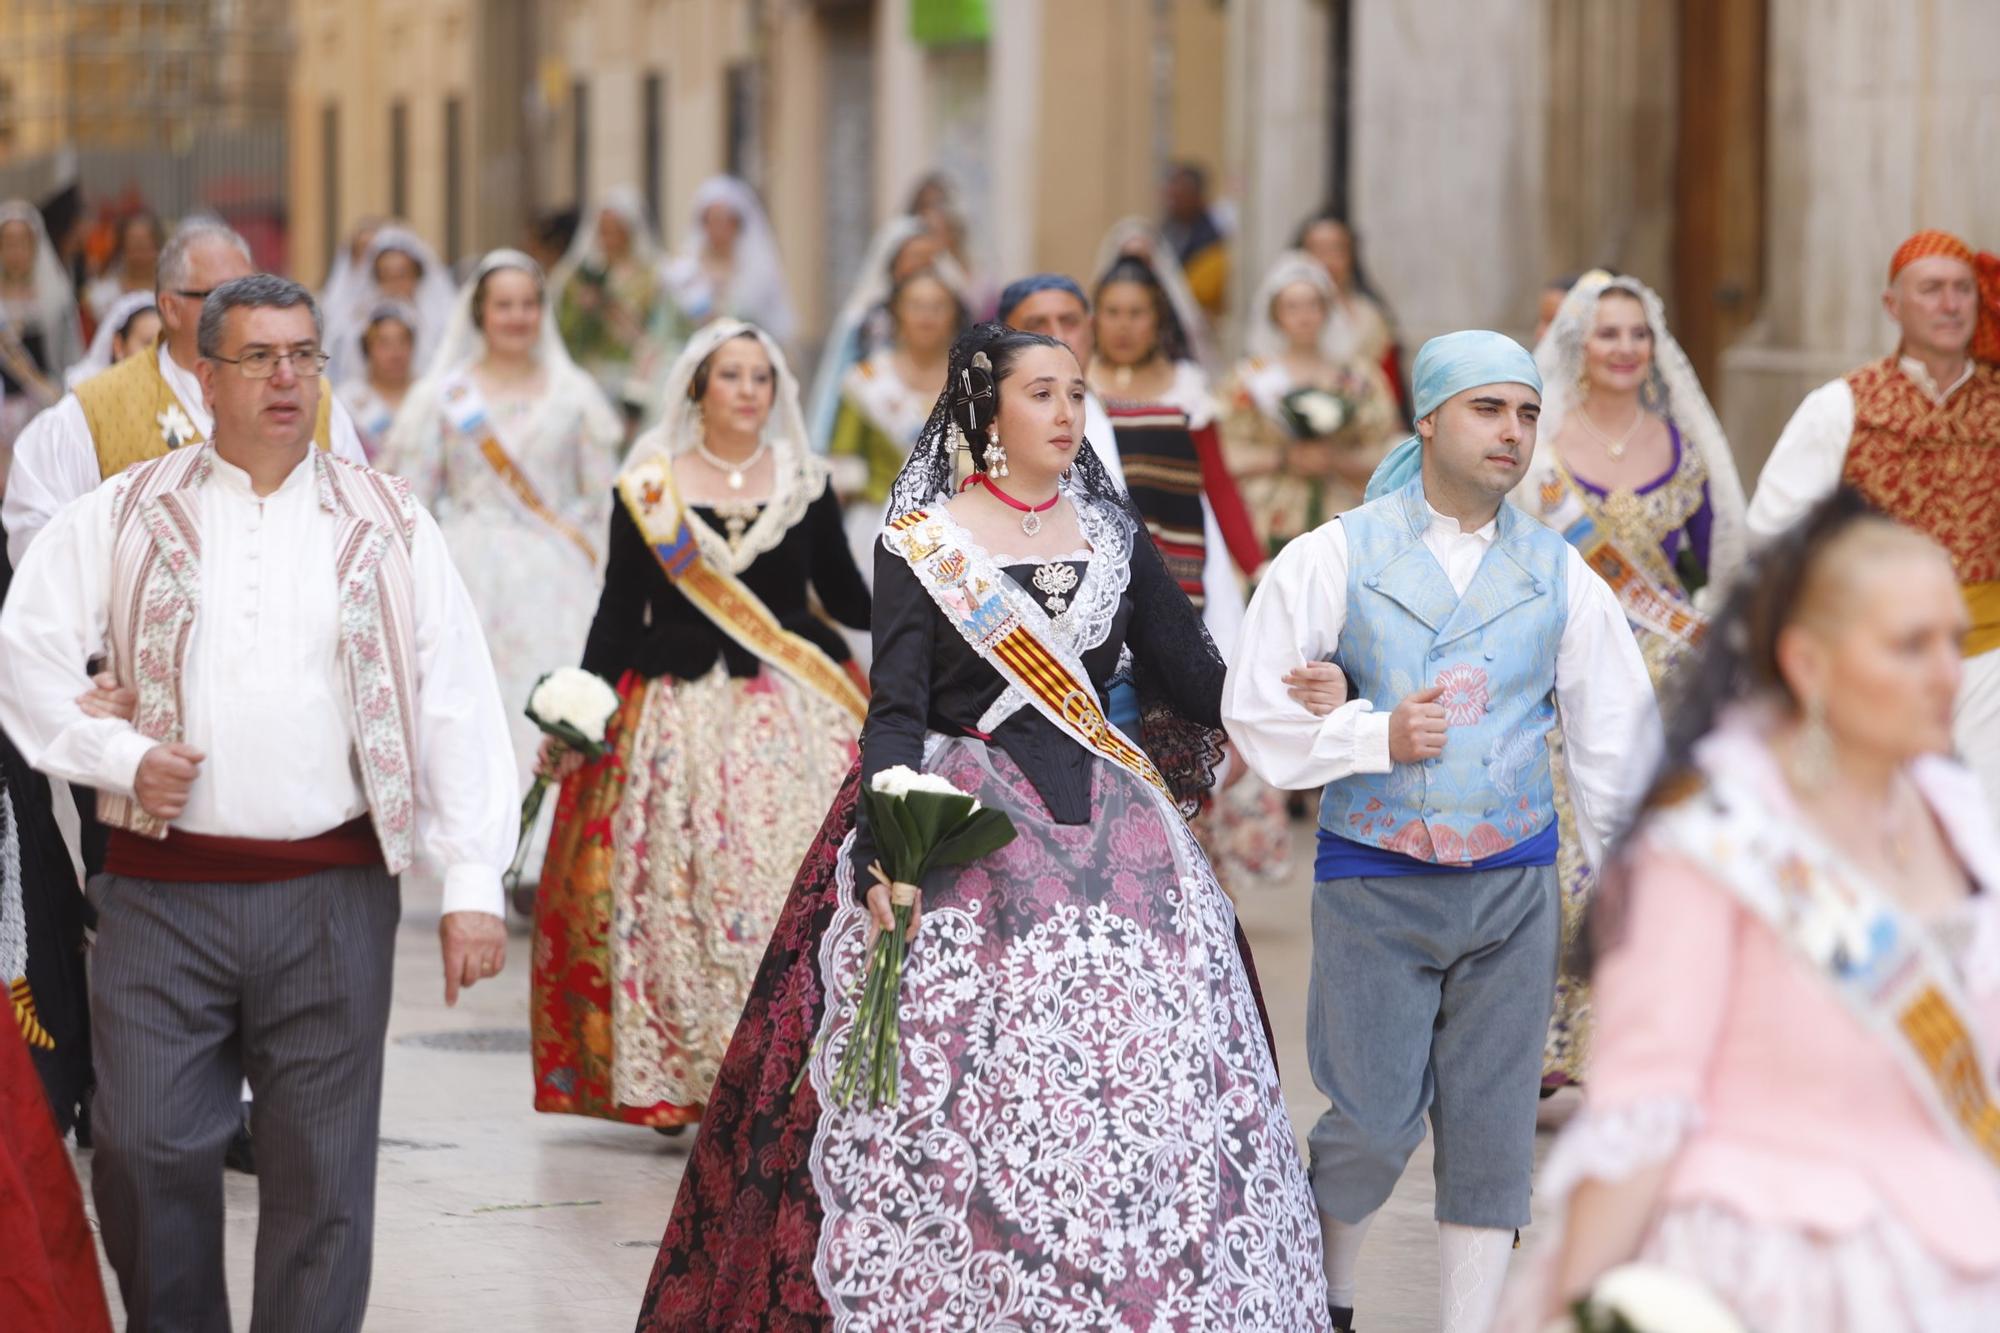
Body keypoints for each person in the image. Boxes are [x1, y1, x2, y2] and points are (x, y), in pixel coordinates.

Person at [634, 322, 1331, 1330]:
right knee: (964, 1084)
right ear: (987, 412)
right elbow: (897, 714)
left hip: (1109, 831)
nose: (1065, 413)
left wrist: (1287, 687)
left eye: (1076, 394)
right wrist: (883, 853)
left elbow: (1197, 681)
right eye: (1042, 393)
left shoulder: (1113, 539)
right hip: (971, 838)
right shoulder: (922, 542)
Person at [0, 274, 517, 1332]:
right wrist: (112, 749)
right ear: (207, 374)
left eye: (303, 356)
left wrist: (471, 880)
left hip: (331, 895)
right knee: (146, 1150)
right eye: (258, 357)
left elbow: (457, 697)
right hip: (158, 899)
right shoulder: (124, 510)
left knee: (322, 1181)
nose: (287, 378)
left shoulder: (390, 523)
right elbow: (26, 652)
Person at [1223, 330, 1660, 1333]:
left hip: (1512, 884)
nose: (1509, 432)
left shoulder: (1558, 574)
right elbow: (1252, 707)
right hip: (1373, 879)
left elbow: (1615, 742)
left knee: (1493, 1129)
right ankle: (1324, 1300)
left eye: (1523, 414)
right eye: (1484, 408)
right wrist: (1369, 730)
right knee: (1371, 1123)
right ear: (1426, 418)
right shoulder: (1335, 554)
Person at [1498, 492, 2000, 1333]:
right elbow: (1640, 1116)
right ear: (1807, 662)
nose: (1949, 672)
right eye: (1909, 646)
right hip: (1771, 1275)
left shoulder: (1955, 811)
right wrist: (1567, 1308)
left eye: (1953, 640)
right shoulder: (1711, 843)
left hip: (1954, 1264)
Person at [530, 319, 869, 1131]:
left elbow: (850, 598)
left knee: (789, 884)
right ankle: (692, 1072)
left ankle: (785, 1068)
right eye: (732, 376)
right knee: (681, 895)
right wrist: (582, 707)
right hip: (678, 719)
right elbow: (618, 613)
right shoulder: (648, 488)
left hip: (796, 712)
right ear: (697, 388)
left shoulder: (804, 482)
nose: (750, 391)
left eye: (762, 377)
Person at [1517, 270, 1750, 1089]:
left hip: (1661, 679)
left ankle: (1632, 1042)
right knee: (1563, 859)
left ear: (1655, 348)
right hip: (1558, 674)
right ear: (1580, 342)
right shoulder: (1537, 447)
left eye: (1637, 333)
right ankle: (1546, 1046)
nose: (1623, 347)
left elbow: (1712, 566)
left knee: (1650, 855)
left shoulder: (1684, 445)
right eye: (1608, 332)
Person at [378, 250, 623, 882]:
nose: (517, 317)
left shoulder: (576, 397)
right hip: (467, 573)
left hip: (556, 578)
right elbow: (409, 494)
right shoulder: (443, 397)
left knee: (547, 703)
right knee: (475, 706)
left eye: (528, 304)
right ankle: (478, 847)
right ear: (480, 312)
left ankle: (542, 850)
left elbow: (601, 497)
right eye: (504, 305)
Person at [1747, 230, 2000, 826]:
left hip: (1990, 658)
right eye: (1931, 289)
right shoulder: (1843, 405)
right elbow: (1773, 529)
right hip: (1878, 658)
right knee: (1882, 823)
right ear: (1893, 305)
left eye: (1962, 290)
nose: (1949, 304)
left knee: (1983, 831)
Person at [1, 217, 369, 566]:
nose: (246, 314)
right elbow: (39, 541)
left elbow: (358, 523)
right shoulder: (92, 412)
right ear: (171, 309)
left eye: (253, 296)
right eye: (224, 297)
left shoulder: (311, 397)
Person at [1220, 250, 1402, 556]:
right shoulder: (1250, 379)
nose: (1303, 315)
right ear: (1275, 314)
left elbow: (1388, 450)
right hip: (1269, 517)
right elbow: (1224, 454)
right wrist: (1283, 457)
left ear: (1327, 310)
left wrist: (1335, 459)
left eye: (1313, 305)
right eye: (1292, 306)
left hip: (1342, 509)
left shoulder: (1357, 378)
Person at [826, 263, 968, 578]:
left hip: (957, 530)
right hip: (876, 526)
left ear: (954, 315)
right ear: (896, 313)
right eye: (916, 305)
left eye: (937, 306)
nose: (926, 316)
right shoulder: (865, 381)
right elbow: (843, 463)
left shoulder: (973, 383)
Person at [804, 213, 949, 453]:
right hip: (878, 421)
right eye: (915, 257)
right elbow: (851, 376)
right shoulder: (869, 317)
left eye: (930, 258)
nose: (923, 265)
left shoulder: (950, 308)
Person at [554, 186, 677, 421]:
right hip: (589, 373)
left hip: (636, 376)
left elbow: (661, 330)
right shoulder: (580, 277)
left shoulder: (652, 277)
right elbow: (564, 329)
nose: (608, 238)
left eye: (615, 230)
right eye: (603, 230)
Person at [661, 175, 796, 347]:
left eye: (725, 221)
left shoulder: (757, 273)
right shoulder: (684, 270)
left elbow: (773, 325)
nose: (719, 229)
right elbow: (665, 329)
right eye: (713, 221)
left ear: (737, 225)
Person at [1296, 209, 1407, 414]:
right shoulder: (1283, 316)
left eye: (1336, 250)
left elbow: (1390, 390)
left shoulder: (1372, 318)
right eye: (1317, 250)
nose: (1327, 261)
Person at [0, 201, 85, 460]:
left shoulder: (55, 300)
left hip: (43, 412)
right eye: (8, 243)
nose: (15, 252)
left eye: (22, 243)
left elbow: (72, 360)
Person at [325, 225, 457, 388]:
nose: (394, 285)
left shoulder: (442, 325)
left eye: (402, 275)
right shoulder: (359, 326)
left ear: (417, 276)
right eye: (386, 276)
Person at [338, 302, 418, 458]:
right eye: (384, 343)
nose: (395, 353)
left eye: (402, 341)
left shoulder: (428, 395)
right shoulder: (347, 400)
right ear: (367, 349)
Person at [1161, 161, 1230, 320]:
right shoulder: (1167, 228)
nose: (1174, 200)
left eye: (1181, 194)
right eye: (1172, 193)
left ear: (1197, 196)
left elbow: (1198, 291)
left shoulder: (1211, 240)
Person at [62, 290, 160, 391]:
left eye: (165, 345)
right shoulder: (87, 395)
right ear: (118, 345)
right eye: (149, 343)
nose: (159, 353)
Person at [84, 210, 164, 327]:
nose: (140, 254)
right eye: (134, 246)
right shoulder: (101, 296)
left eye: (145, 246)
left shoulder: (171, 294)